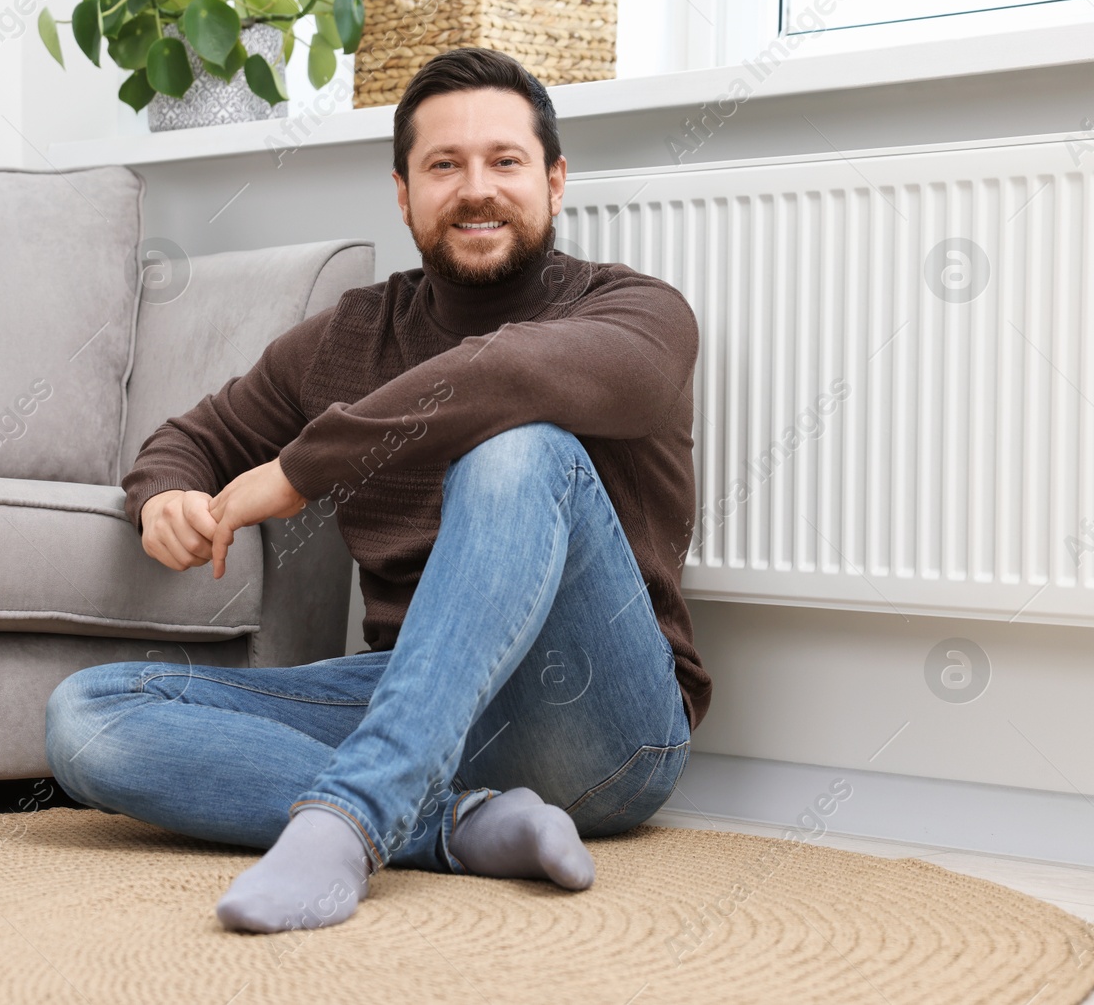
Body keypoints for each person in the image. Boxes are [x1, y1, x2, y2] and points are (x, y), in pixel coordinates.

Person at [45, 47, 709, 935]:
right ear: (403, 192)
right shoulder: (349, 337)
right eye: (444, 165)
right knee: (87, 715)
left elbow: (504, 373)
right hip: (416, 695)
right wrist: (166, 490)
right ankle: (460, 824)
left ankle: (351, 822)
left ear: (555, 181)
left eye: (505, 161)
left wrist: (297, 472)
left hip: (601, 718)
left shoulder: (637, 315)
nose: (477, 188)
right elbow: (193, 437)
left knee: (517, 448)